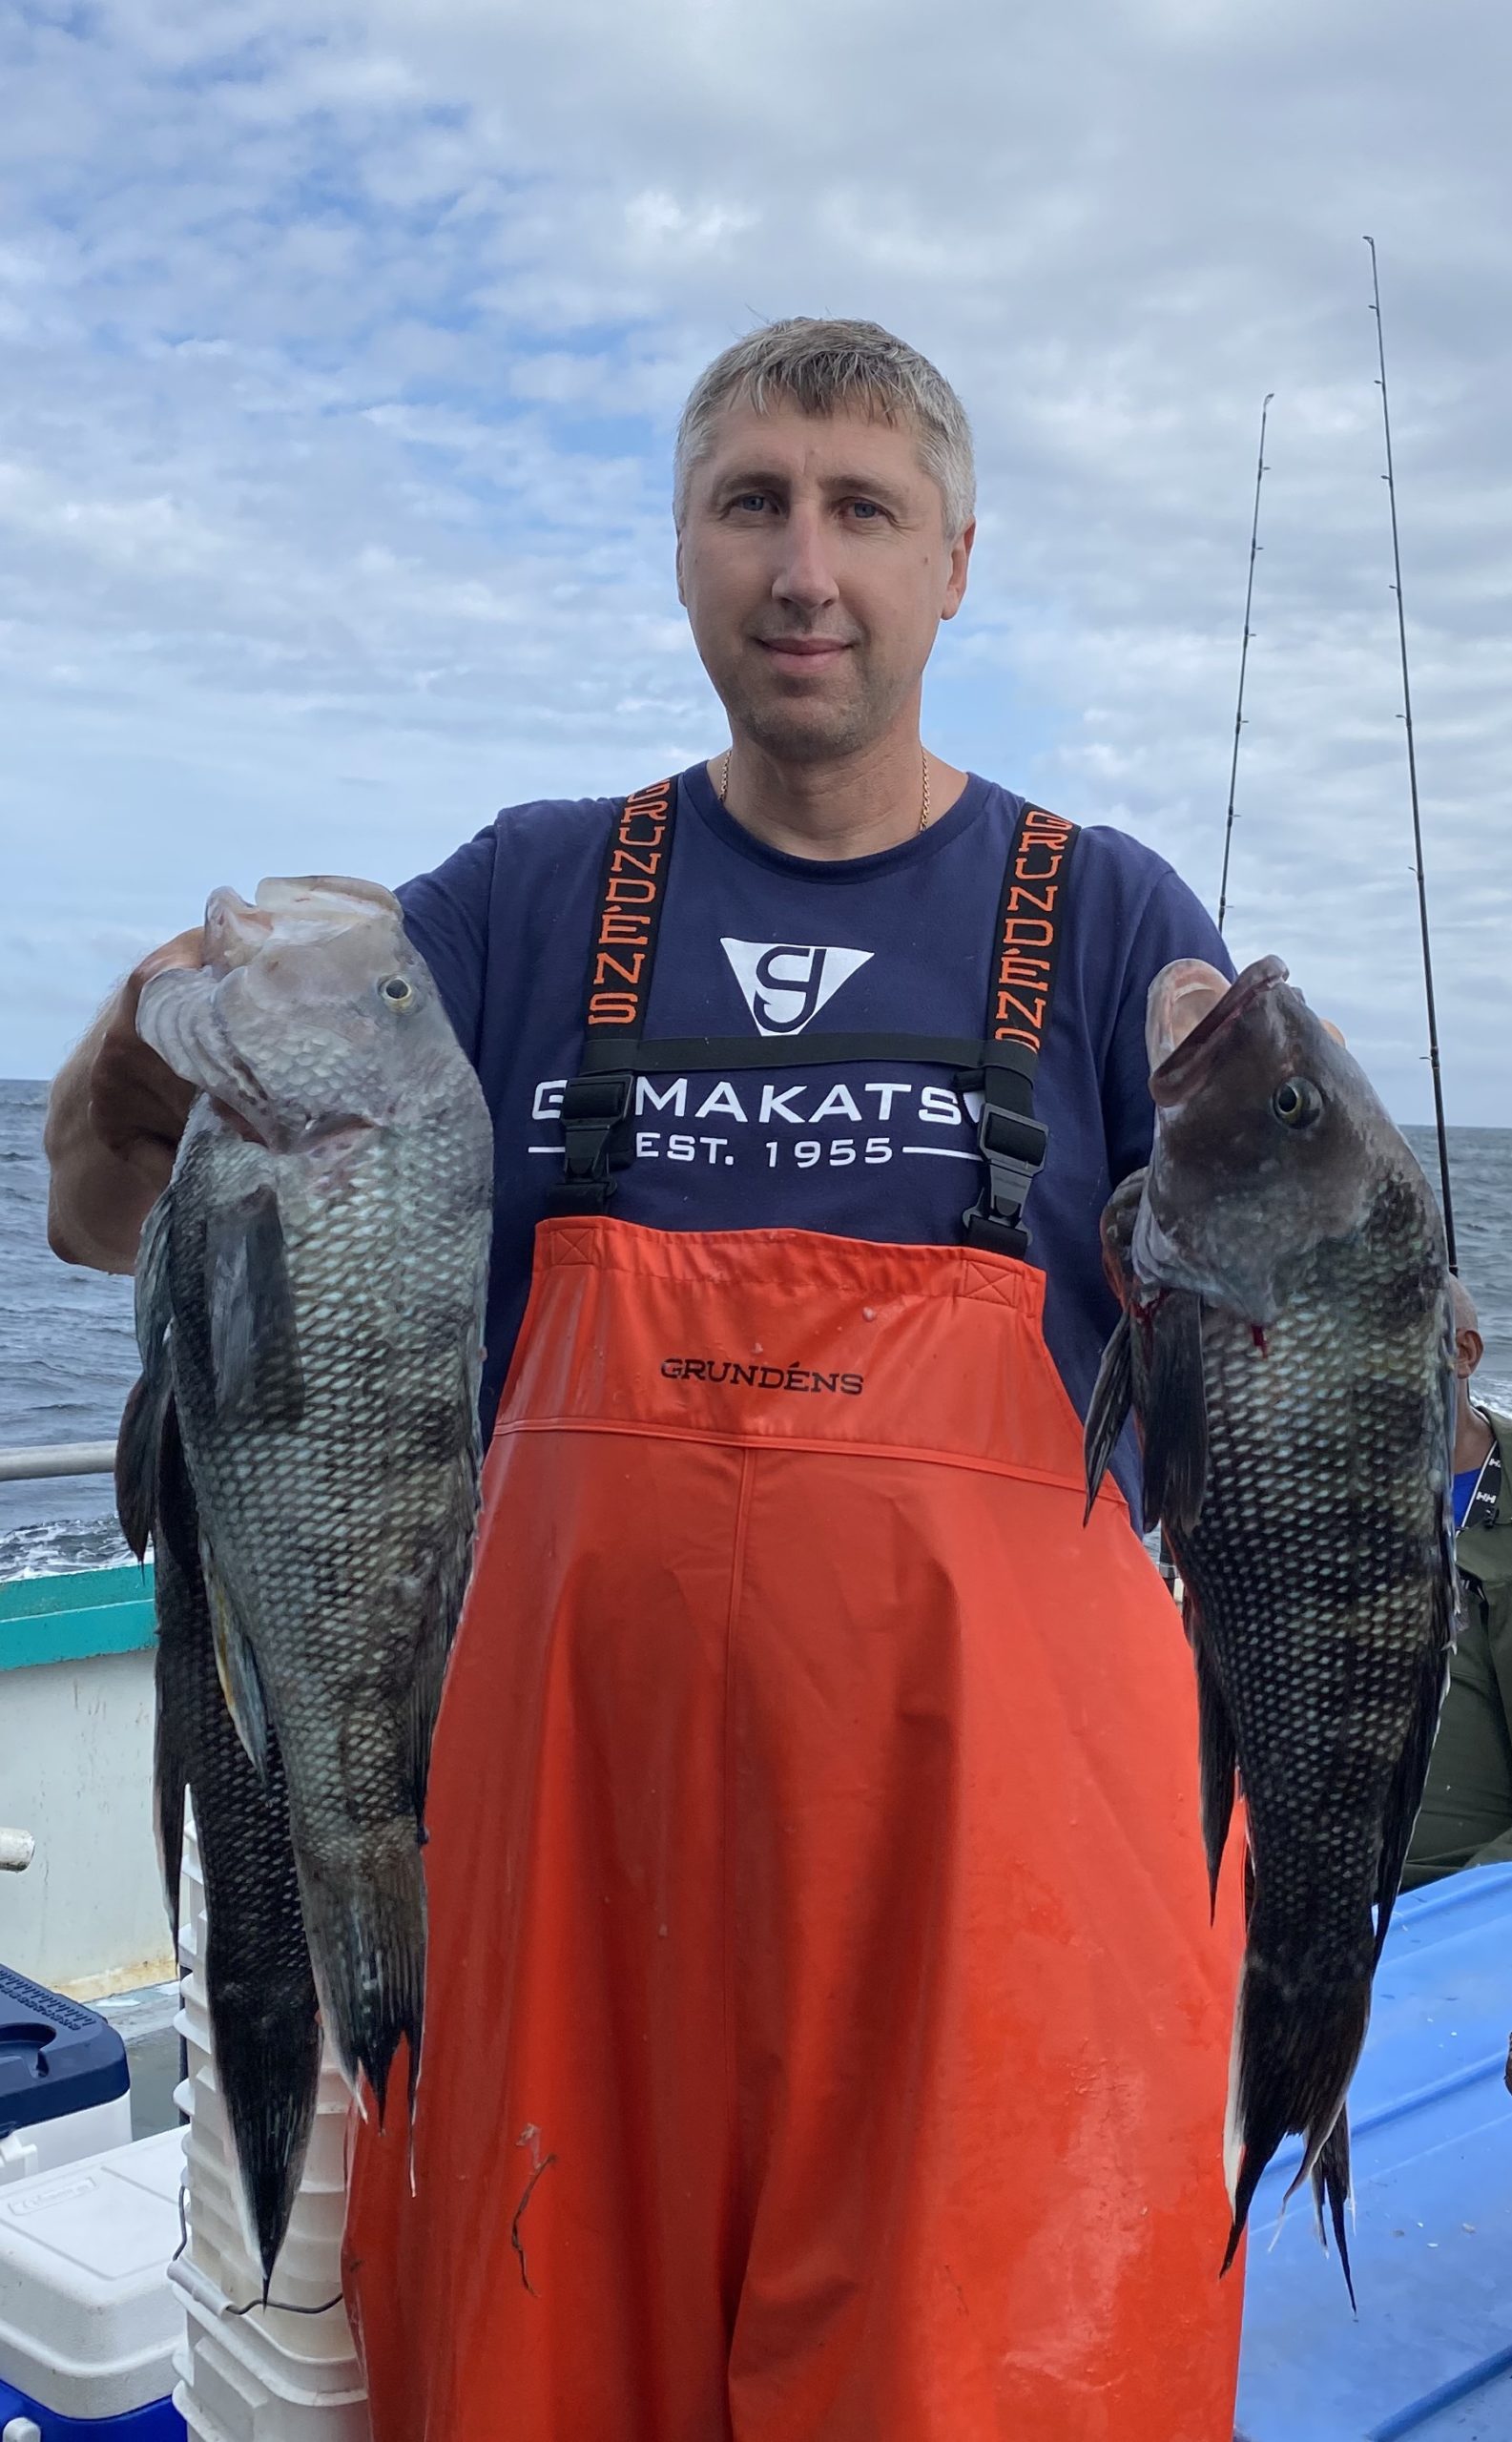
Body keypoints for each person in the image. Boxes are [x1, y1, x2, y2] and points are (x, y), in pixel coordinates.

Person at [46, 319, 1246, 2441]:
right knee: (539, 2370)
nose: (806, 568)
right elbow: (101, 1211)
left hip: (989, 1902)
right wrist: (150, 1043)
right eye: (751, 503)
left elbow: (1275, 1348)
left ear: (952, 561)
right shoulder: (523, 899)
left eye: (861, 510)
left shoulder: (1109, 914)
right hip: (564, 1882)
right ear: (681, 546)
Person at [1404, 1276, 1512, 1886]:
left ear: (1463, 1353)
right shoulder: (1312, 1504)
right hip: (1273, 1886)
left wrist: (1444, 1925)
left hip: (1443, 1918)